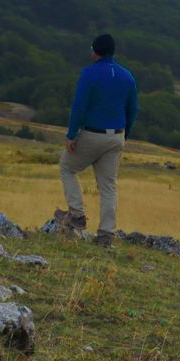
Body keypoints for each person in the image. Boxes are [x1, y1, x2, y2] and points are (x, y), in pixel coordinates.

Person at [60, 33, 137, 237]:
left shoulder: (89, 73)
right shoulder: (127, 76)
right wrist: (123, 136)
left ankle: (77, 215)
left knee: (67, 167)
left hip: (93, 133)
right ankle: (106, 234)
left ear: (94, 51)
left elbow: (79, 107)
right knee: (108, 186)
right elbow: (132, 110)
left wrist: (71, 134)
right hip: (116, 136)